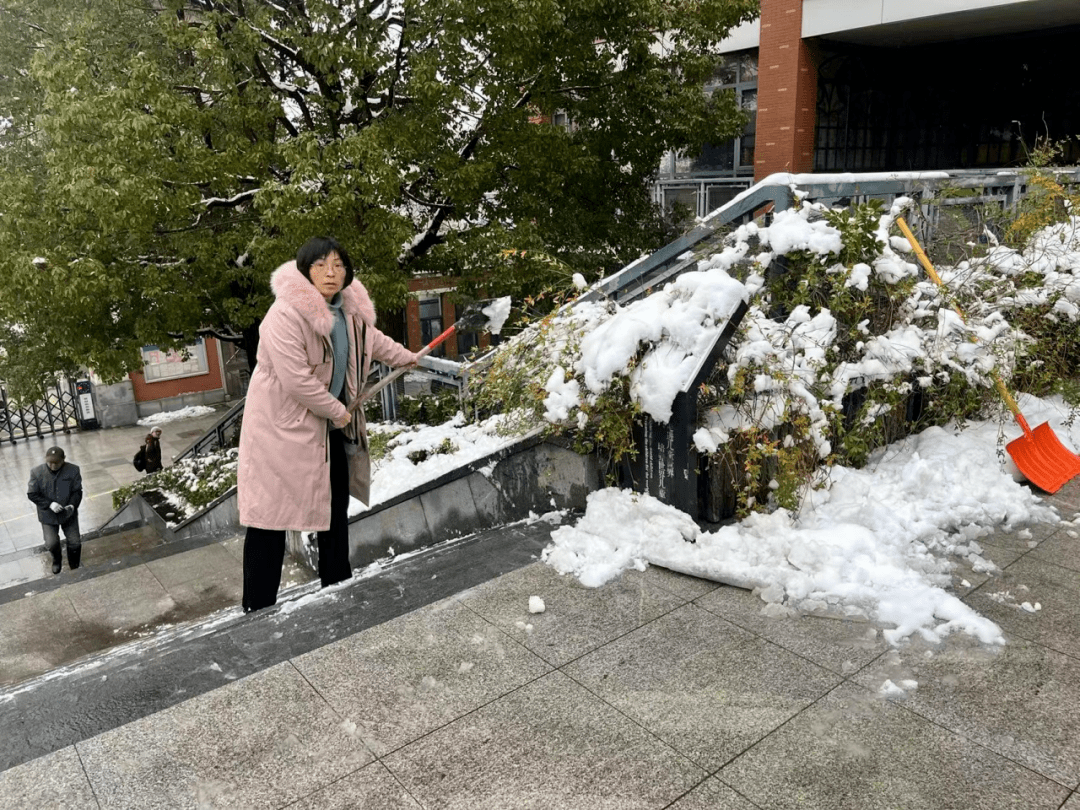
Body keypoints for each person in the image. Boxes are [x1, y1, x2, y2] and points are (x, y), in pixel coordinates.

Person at [237, 237, 418, 612]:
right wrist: (337, 411)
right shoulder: (284, 316)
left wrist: (408, 357)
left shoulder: (348, 311)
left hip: (324, 430)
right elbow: (297, 380)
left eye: (338, 265)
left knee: (334, 510)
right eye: (320, 265)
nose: (330, 273)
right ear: (305, 271)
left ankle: (338, 583)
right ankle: (256, 609)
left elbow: (373, 341)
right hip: (280, 432)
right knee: (269, 521)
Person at [27, 446, 83, 575]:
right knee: (51, 543)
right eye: (50, 462)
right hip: (48, 515)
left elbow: (77, 491)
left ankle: (74, 566)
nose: (52, 466)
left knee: (75, 542)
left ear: (63, 459)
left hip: (68, 513)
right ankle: (57, 559)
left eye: (56, 463)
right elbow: (32, 494)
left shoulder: (73, 470)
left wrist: (72, 506)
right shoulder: (36, 472)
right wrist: (49, 504)